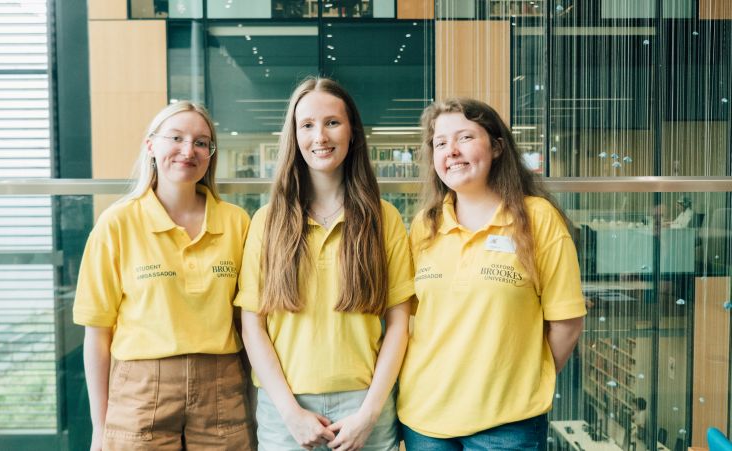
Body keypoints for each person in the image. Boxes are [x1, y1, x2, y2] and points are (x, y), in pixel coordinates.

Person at [235, 77, 414, 451]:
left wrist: (369, 413)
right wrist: (289, 413)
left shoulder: (385, 219)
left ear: (352, 133)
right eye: (307, 125)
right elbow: (253, 324)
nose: (321, 136)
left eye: (332, 122)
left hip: (366, 402)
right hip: (286, 407)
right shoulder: (267, 221)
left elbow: (400, 323)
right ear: (294, 136)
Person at [398, 98, 586, 450]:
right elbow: (410, 317)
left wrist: (521, 380)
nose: (451, 151)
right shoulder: (425, 224)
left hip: (507, 424)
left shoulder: (538, 219)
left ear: (497, 147)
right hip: (424, 417)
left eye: (465, 137)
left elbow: (567, 322)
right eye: (440, 143)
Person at [73, 101, 255, 450]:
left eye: (202, 142)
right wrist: (100, 428)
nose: (189, 150)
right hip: (140, 391)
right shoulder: (118, 222)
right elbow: (97, 333)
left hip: (222, 386)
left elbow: (246, 323)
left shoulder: (237, 222)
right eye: (176, 137)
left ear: (210, 154)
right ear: (151, 146)